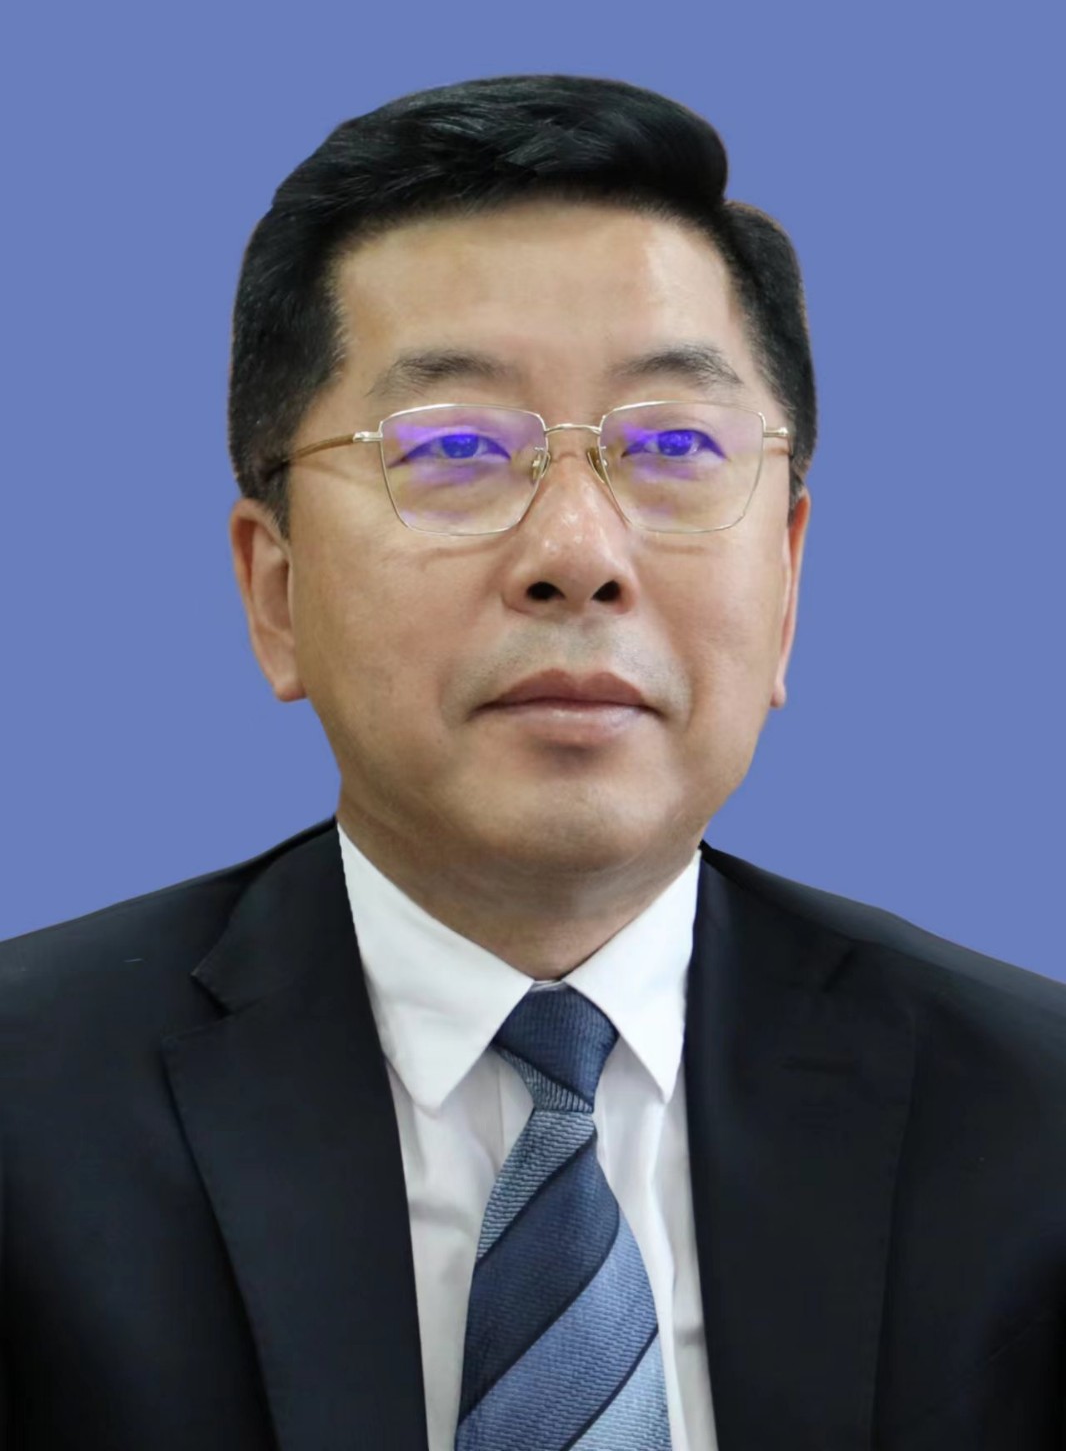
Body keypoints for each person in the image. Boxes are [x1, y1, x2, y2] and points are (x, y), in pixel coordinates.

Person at [1, 74, 1063, 1451]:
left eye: (672, 445)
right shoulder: (31, 1125)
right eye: (453, 448)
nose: (577, 554)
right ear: (276, 592)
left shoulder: (1031, 1130)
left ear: (788, 580)